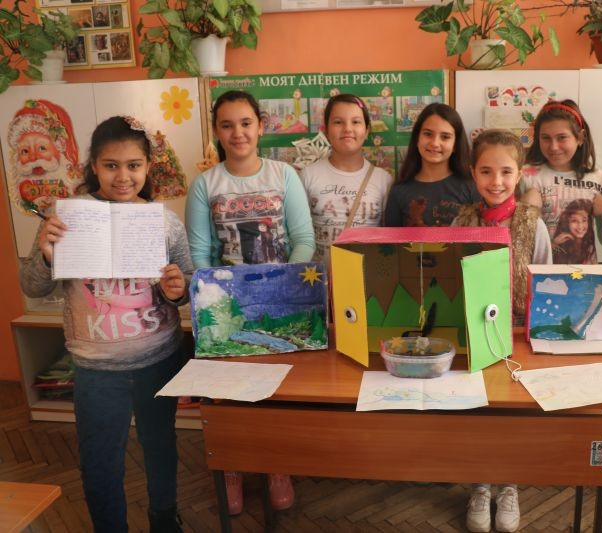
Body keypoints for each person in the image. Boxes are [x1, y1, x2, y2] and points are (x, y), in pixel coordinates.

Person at [19, 116, 191, 532]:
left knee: (160, 444)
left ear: (148, 166)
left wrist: (178, 289)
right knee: (100, 460)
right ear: (94, 165)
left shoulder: (164, 221)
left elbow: (185, 285)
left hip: (158, 358)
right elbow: (32, 287)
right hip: (95, 367)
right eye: (111, 165)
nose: (123, 176)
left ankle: (164, 518)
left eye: (133, 165)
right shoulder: (66, 219)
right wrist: (46, 253)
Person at [185, 90, 314, 515]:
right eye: (227, 125)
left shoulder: (284, 175)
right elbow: (200, 254)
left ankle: (276, 465)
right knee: (228, 396)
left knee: (276, 392)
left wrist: (281, 284)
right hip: (227, 308)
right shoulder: (205, 185)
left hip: (280, 302)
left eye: (245, 123)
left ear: (261, 126)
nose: (237, 133)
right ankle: (232, 469)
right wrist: (219, 301)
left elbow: (303, 239)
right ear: (216, 131)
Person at [452, 129, 552, 533]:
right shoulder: (462, 219)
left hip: (516, 337)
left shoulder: (532, 223)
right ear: (473, 172)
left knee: (511, 412)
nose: (496, 181)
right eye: (486, 171)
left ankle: (508, 484)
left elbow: (544, 281)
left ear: (520, 173)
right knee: (478, 409)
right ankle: (480, 482)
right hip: (472, 333)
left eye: (506, 172)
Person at [522, 99, 602, 263]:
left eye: (562, 137)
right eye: (546, 138)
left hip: (584, 274)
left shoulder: (600, 180)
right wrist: (525, 209)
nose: (553, 146)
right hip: (536, 273)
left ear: (580, 137)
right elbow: (516, 240)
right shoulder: (526, 176)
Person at [299, 94, 392, 266]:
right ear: (326, 130)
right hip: (319, 278)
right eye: (338, 122)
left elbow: (389, 237)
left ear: (367, 130)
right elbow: (299, 236)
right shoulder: (308, 175)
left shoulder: (383, 179)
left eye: (356, 122)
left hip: (369, 276)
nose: (347, 128)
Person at [384, 102, 480, 227]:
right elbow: (391, 238)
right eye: (428, 134)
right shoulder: (399, 190)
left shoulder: (471, 186)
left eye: (445, 137)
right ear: (417, 138)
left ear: (455, 145)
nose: (435, 143)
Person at [552, 198, 595, 264]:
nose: (580, 226)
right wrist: (553, 244)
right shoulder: (560, 243)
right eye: (574, 221)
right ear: (567, 222)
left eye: (584, 220)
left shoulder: (592, 245)